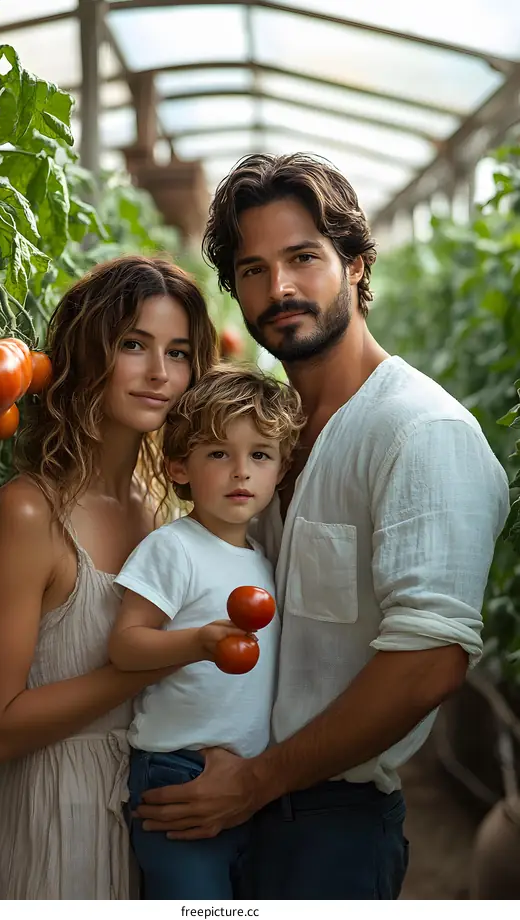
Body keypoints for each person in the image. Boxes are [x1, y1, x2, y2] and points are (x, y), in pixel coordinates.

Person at [133, 154, 511, 899]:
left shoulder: (418, 430)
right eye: (252, 269)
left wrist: (256, 782)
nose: (279, 289)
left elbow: (428, 663)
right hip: (228, 801)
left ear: (357, 265)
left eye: (304, 257)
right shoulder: (267, 433)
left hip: (327, 824)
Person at [0, 255, 218, 899]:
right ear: (87, 353)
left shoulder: (167, 511)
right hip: (55, 827)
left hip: (151, 822)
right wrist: (160, 658)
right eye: (134, 344)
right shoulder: (31, 510)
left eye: (179, 352)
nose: (161, 373)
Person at [107, 365, 303, 899]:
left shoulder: (263, 560)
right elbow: (126, 644)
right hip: (177, 772)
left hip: (243, 781)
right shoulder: (173, 547)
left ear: (281, 470)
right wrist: (200, 642)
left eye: (259, 455)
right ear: (178, 468)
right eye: (219, 454)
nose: (241, 471)